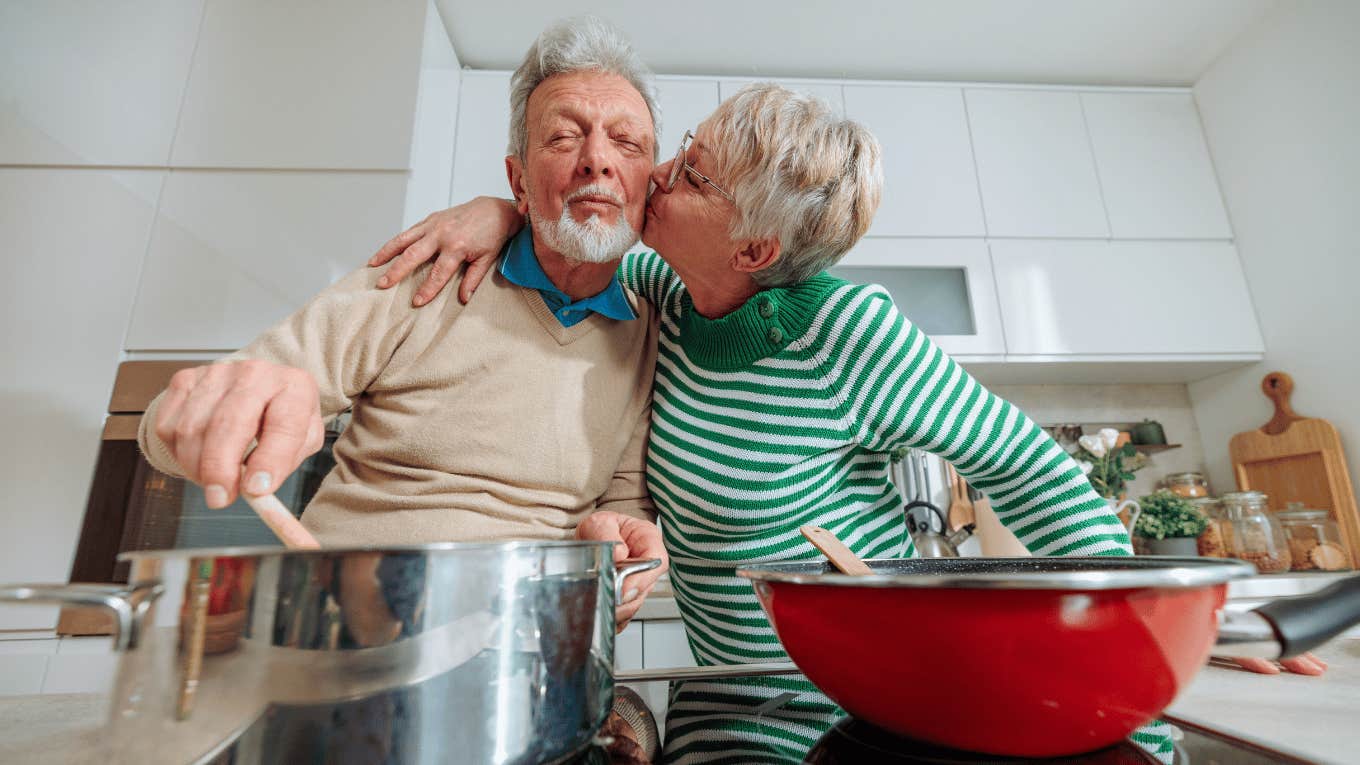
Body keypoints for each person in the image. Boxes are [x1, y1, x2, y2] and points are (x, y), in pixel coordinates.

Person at [373, 83, 1186, 764]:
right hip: (727, 706)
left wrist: (1145, 651)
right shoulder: (659, 287)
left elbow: (1029, 467)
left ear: (755, 249)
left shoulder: (847, 333)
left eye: (692, 175)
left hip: (866, 710)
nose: (657, 173)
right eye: (685, 150)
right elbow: (571, 223)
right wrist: (494, 210)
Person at [135, 16, 670, 631]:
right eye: (563, 138)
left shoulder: (645, 327)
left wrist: (620, 544)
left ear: (648, 187)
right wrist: (217, 408)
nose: (597, 161)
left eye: (626, 143)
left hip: (522, 654)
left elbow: (623, 508)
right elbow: (164, 433)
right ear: (518, 182)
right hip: (342, 639)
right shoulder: (425, 274)